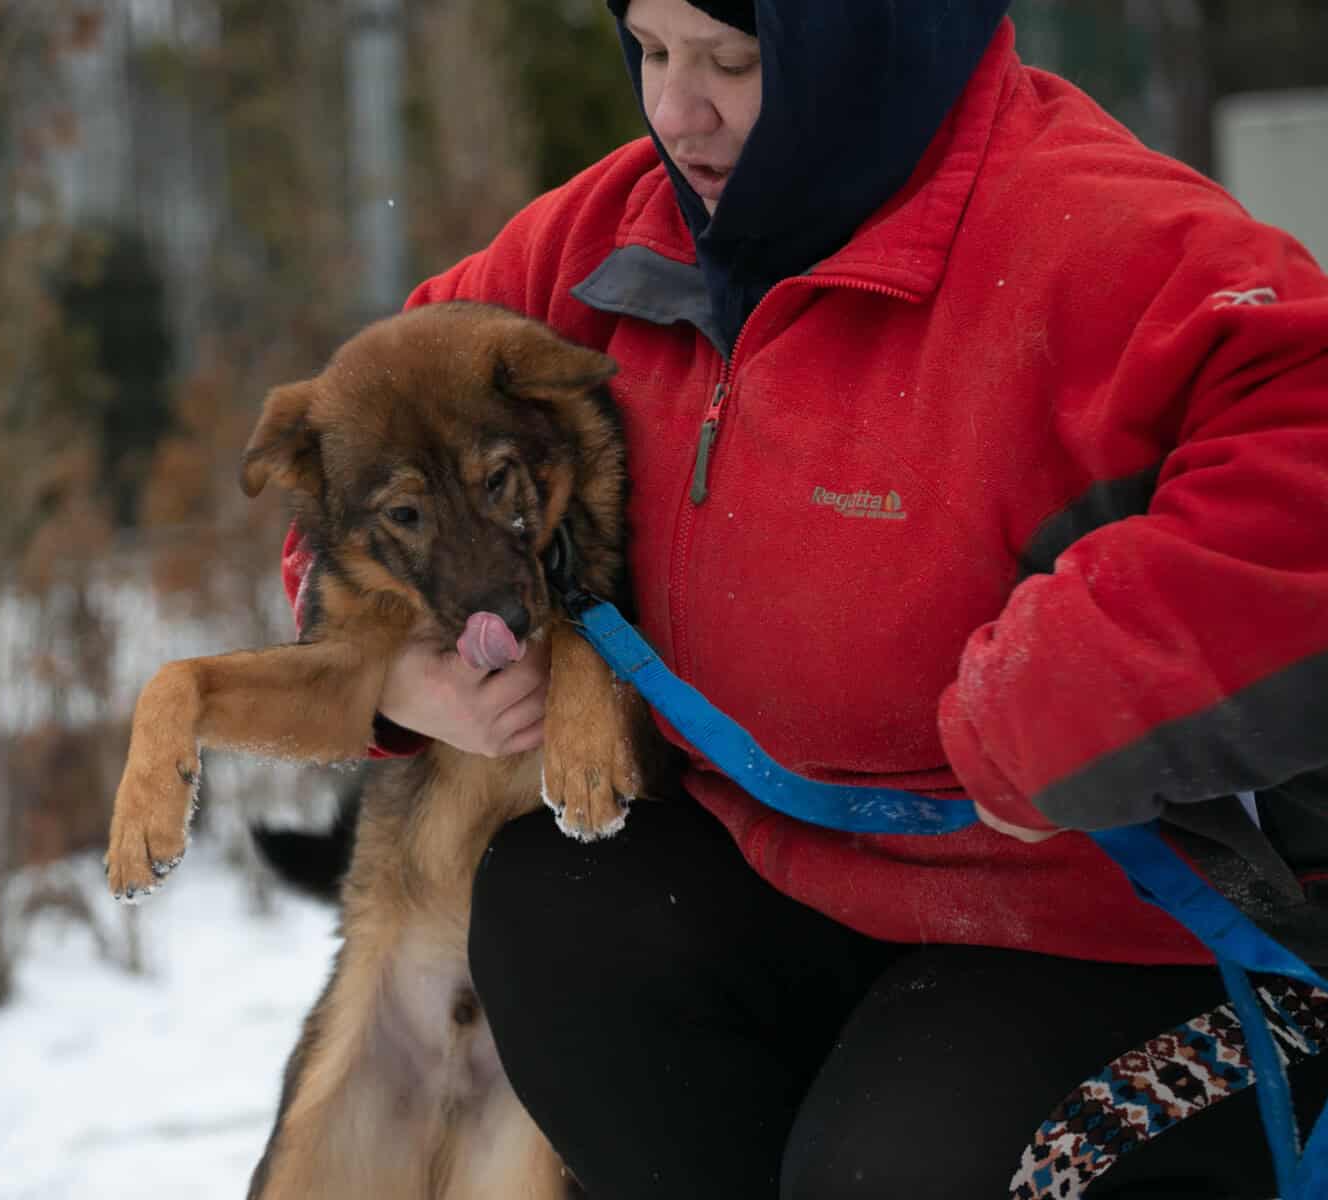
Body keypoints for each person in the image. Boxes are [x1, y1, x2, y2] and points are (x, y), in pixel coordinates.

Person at [278, 0, 1328, 1195]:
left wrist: (1076, 700)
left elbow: (1304, 462)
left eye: (733, 60)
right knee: (554, 907)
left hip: (1107, 933)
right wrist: (397, 669)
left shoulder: (1096, 234)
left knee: (890, 1176)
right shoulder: (607, 241)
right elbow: (356, 447)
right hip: (784, 886)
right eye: (652, 52)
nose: (677, 111)